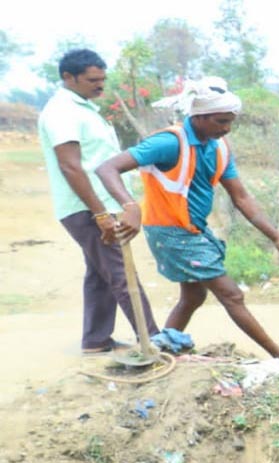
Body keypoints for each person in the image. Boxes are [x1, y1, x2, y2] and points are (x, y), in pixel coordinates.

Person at [97, 77, 279, 363]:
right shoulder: (169, 142)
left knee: (193, 296)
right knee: (231, 294)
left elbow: (242, 197)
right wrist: (130, 206)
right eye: (221, 122)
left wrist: (277, 237)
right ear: (200, 117)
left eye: (230, 122)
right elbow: (107, 168)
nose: (226, 129)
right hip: (171, 232)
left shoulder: (219, 146)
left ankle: (158, 350)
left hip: (195, 229)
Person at [38, 48, 160, 355]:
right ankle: (154, 342)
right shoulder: (61, 111)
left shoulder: (83, 108)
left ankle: (96, 340)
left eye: (103, 79)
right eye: (93, 80)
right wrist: (100, 213)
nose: (100, 86)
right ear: (69, 77)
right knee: (121, 274)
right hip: (87, 207)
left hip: (96, 206)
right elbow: (70, 166)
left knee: (100, 274)